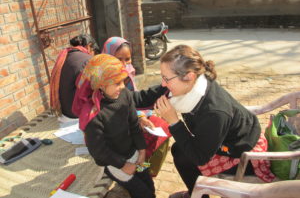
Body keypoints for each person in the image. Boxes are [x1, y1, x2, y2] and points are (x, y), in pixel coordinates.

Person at [154, 45, 275, 198]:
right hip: (232, 139)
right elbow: (155, 91)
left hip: (244, 157)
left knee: (182, 153)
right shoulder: (199, 84)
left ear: (189, 76)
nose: (163, 84)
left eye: (166, 78)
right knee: (180, 149)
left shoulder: (214, 113)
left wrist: (174, 122)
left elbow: (200, 158)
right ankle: (196, 192)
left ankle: (197, 194)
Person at [72, 54, 156, 198]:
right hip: (115, 164)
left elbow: (134, 123)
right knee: (142, 192)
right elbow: (99, 151)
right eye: (117, 83)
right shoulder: (93, 115)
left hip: (135, 155)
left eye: (123, 81)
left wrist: (142, 150)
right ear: (101, 84)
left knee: (149, 182)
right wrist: (124, 165)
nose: (123, 86)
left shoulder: (125, 95)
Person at [102, 36, 171, 177]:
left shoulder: (127, 73)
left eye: (127, 59)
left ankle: (145, 168)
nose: (123, 64)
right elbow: (115, 110)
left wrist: (142, 116)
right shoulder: (102, 80)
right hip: (114, 126)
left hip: (131, 117)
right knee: (147, 136)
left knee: (163, 128)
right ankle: (139, 169)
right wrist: (139, 118)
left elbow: (134, 99)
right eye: (118, 59)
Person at [50, 34, 100, 118]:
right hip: (76, 112)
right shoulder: (87, 60)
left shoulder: (65, 56)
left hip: (64, 110)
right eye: (94, 53)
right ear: (89, 46)